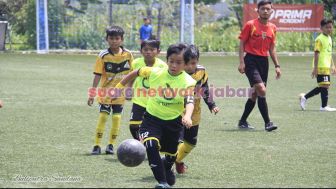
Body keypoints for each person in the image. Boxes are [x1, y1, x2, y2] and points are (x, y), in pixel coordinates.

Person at [115, 43, 196, 188]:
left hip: (174, 123)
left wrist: (188, 116)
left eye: (179, 62)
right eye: (171, 61)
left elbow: (189, 101)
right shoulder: (156, 72)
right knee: (151, 145)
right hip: (152, 119)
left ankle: (167, 165)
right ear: (167, 60)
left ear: (186, 64)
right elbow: (136, 72)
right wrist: (119, 87)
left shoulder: (188, 82)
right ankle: (162, 183)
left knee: (171, 155)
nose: (174, 65)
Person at [87, 25, 134, 155]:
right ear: (107, 39)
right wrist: (92, 94)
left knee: (117, 118)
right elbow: (97, 74)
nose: (114, 41)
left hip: (120, 93)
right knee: (103, 117)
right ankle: (96, 145)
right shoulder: (103, 55)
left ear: (122, 39)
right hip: (105, 92)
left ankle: (111, 146)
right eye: (111, 38)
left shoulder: (128, 55)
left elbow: (133, 73)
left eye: (117, 38)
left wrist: (129, 88)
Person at [175, 44, 220, 174]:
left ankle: (177, 160)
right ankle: (167, 164)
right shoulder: (177, 72)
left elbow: (205, 89)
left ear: (198, 61)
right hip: (177, 111)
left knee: (191, 142)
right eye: (187, 63)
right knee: (178, 140)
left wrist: (212, 105)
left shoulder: (201, 71)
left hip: (195, 111)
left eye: (193, 63)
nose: (190, 66)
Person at [237, 0, 281, 131]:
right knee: (261, 89)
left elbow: (272, 49)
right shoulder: (250, 25)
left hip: (264, 62)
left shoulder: (273, 28)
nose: (265, 11)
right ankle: (268, 123)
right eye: (263, 9)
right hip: (250, 60)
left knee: (255, 94)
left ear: (271, 11)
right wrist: (241, 62)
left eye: (268, 9)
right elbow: (241, 44)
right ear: (258, 10)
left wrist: (277, 66)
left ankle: (242, 121)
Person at [129, 39, 167, 140]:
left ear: (158, 51)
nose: (148, 52)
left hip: (155, 101)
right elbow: (131, 77)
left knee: (154, 126)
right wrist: (129, 89)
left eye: (152, 49)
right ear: (141, 51)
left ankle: (150, 143)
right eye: (145, 49)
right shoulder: (136, 63)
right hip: (139, 100)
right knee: (133, 125)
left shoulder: (162, 66)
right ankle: (140, 144)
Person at [300, 19, 336, 111]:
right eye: (326, 27)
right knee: (325, 85)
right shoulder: (319, 39)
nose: (329, 29)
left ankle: (305, 97)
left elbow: (329, 53)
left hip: (326, 66)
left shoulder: (329, 38)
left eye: (330, 27)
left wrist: (333, 65)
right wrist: (315, 68)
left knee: (324, 86)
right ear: (321, 28)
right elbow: (316, 54)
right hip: (320, 66)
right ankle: (323, 106)